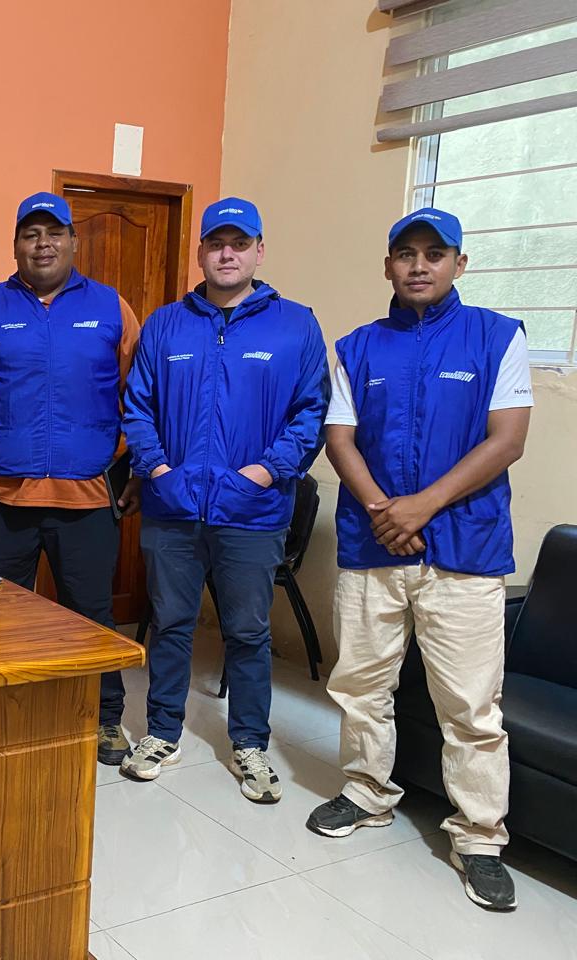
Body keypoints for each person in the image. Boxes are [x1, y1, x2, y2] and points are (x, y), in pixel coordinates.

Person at [307, 208, 531, 911]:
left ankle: (479, 837)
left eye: (436, 253)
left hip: (465, 549)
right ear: (388, 266)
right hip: (373, 545)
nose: (419, 265)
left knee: (470, 705)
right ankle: (366, 791)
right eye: (406, 253)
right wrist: (387, 511)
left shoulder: (497, 336)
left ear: (459, 264)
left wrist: (422, 507)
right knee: (361, 685)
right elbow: (340, 439)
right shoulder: (357, 347)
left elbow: (507, 440)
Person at [120, 197, 328, 802]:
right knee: (171, 624)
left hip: (251, 512)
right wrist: (159, 469)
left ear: (259, 251)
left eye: (240, 243)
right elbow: (138, 406)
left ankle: (250, 744)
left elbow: (310, 413)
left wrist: (263, 474)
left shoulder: (295, 326)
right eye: (216, 243)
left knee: (247, 632)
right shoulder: (166, 325)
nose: (227, 254)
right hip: (173, 507)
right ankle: (161, 732)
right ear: (202, 252)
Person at [0, 191, 142, 766]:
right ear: (15, 245)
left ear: (73, 242)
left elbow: (143, 396)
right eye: (31, 234)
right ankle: (6, 715)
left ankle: (105, 718)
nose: (43, 244)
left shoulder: (111, 308)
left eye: (54, 233)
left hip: (86, 498)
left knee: (91, 615)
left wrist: (136, 469)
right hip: (0, 497)